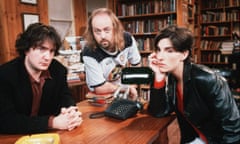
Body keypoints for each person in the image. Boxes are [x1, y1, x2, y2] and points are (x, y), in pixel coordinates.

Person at [147, 25, 240, 144]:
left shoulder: (207, 79)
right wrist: (159, 76)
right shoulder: (172, 77)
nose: (159, 56)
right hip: (193, 139)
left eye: (169, 51)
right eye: (158, 50)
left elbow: (233, 129)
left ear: (184, 54)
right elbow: (159, 111)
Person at [0, 23, 83, 134]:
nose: (47, 57)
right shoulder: (5, 75)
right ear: (26, 50)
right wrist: (52, 122)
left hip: (47, 136)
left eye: (51, 51)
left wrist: (70, 112)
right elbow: (5, 121)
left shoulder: (58, 70)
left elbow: (66, 97)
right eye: (41, 49)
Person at [82, 8, 141, 99]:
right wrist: (126, 88)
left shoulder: (127, 39)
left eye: (107, 30)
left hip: (123, 91)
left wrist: (132, 86)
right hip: (101, 97)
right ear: (92, 32)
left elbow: (136, 66)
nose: (102, 36)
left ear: (115, 28)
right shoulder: (88, 52)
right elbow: (100, 88)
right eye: (97, 31)